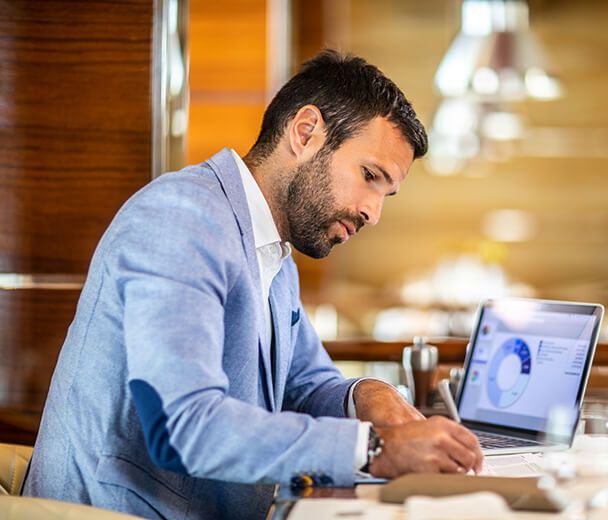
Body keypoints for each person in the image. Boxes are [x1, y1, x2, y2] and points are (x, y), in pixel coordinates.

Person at [23, 50, 483, 519]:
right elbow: (183, 428)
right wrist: (372, 448)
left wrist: (369, 395)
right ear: (305, 133)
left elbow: (306, 383)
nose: (373, 212)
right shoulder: (180, 220)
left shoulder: (277, 257)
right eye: (369, 176)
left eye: (386, 193)